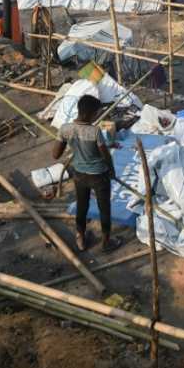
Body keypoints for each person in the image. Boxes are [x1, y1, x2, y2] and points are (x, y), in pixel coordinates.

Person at [51, 94, 123, 253]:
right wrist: (111, 171)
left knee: (82, 206)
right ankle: (106, 242)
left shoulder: (65, 129)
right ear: (89, 113)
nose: (97, 115)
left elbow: (55, 154)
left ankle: (81, 238)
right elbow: (105, 155)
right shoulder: (94, 132)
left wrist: (69, 144)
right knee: (104, 208)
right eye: (96, 113)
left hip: (79, 175)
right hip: (99, 176)